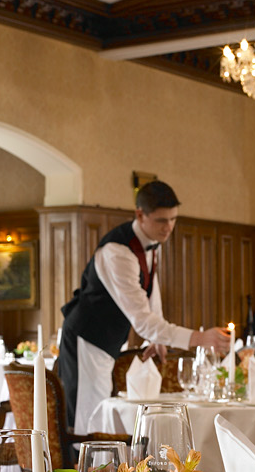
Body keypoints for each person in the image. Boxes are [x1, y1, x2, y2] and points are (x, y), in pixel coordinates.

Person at [57, 181, 231, 432]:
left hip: (107, 339)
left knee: (100, 414)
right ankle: (84, 470)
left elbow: (151, 291)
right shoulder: (117, 251)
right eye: (162, 220)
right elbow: (142, 321)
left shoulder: (150, 241)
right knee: (90, 418)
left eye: (173, 219)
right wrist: (198, 338)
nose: (169, 227)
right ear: (140, 214)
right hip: (88, 338)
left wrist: (157, 339)